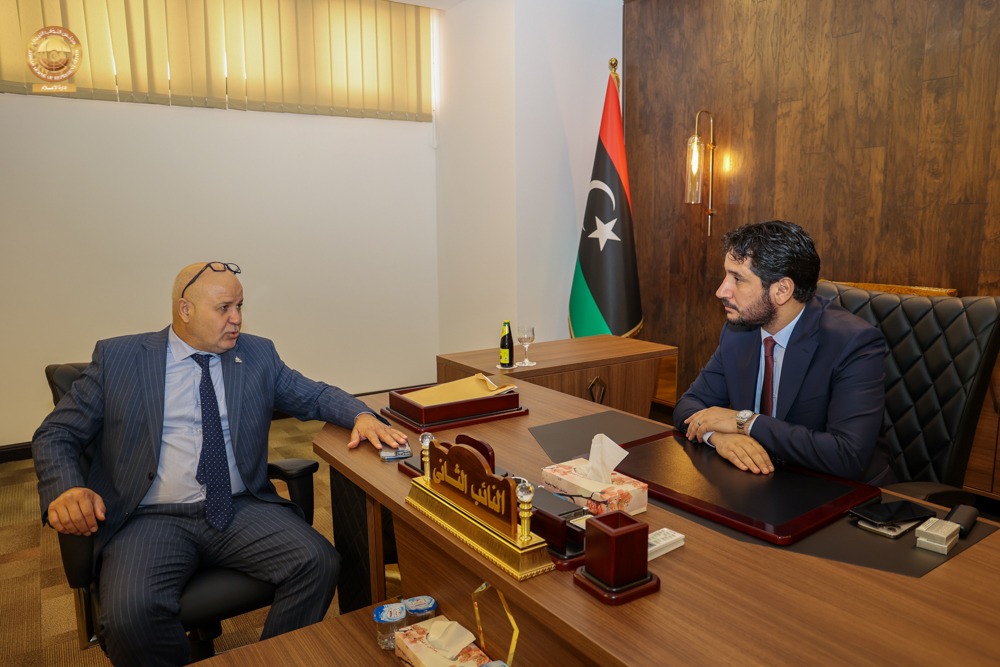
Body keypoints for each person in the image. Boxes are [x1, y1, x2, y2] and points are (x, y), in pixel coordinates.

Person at [32, 261, 408, 667]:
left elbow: (313, 395)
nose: (237, 319)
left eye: (240, 306)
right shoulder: (119, 357)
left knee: (318, 563)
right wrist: (66, 489)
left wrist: (361, 415)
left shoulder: (257, 354)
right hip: (150, 516)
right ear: (185, 309)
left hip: (238, 507)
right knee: (129, 616)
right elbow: (57, 433)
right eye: (224, 308)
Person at [674, 221, 894, 484]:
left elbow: (847, 456)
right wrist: (719, 437)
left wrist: (746, 422)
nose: (721, 291)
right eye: (726, 276)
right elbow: (688, 405)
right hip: (763, 482)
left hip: (841, 491)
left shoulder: (853, 343)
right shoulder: (739, 330)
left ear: (782, 290)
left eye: (738, 279)